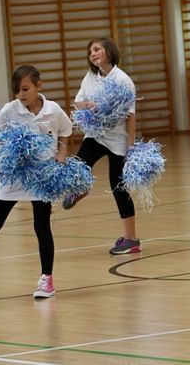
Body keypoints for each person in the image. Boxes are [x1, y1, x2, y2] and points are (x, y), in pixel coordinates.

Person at [0, 65, 71, 299]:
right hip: (14, 177)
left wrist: (61, 155)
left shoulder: (53, 110)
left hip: (41, 177)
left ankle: (47, 280)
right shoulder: (10, 110)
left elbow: (65, 130)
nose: (20, 94)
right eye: (17, 90)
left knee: (42, 226)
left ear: (39, 86)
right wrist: (7, 153)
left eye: (25, 89)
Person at [64, 38, 139, 255]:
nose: (93, 54)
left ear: (109, 52)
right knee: (78, 166)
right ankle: (81, 189)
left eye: (97, 49)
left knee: (119, 188)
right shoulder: (90, 77)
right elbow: (76, 102)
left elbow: (131, 116)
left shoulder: (123, 80)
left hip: (118, 140)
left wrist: (131, 147)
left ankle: (131, 239)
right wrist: (88, 105)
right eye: (90, 52)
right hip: (96, 135)